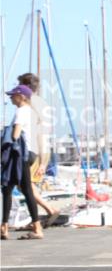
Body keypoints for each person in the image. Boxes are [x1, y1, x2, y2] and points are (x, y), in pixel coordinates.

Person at [2, 85, 43, 240]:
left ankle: (36, 228)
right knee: (13, 188)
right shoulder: (32, 113)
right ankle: (4, 226)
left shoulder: (20, 111)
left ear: (22, 97)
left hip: (20, 154)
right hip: (30, 153)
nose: (11, 97)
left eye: (13, 95)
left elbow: (15, 134)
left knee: (13, 187)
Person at [16, 74, 58, 223]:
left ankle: (48, 211)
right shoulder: (41, 102)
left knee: (24, 185)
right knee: (26, 185)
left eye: (19, 85)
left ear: (25, 86)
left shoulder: (31, 103)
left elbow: (41, 131)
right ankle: (43, 214)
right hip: (39, 149)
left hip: (34, 149)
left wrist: (43, 162)